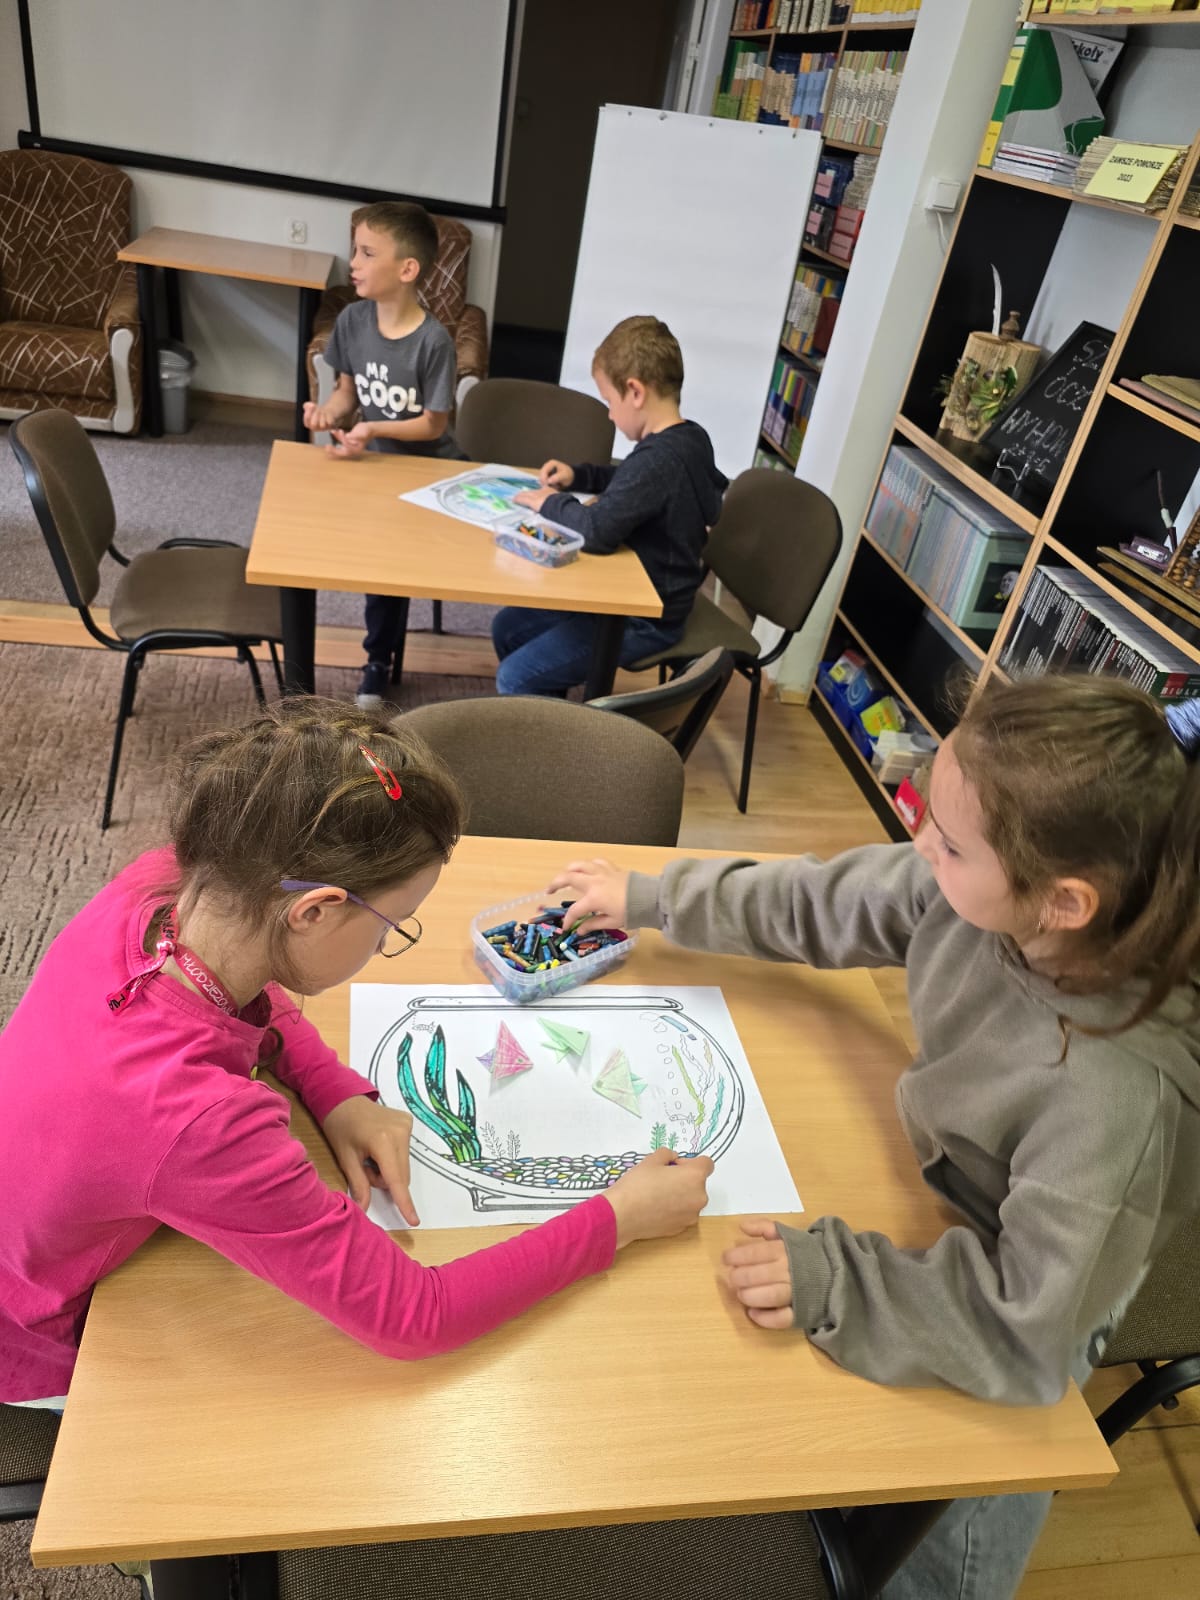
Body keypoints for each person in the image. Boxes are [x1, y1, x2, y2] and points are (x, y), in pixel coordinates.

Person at [546, 674, 1200, 1599]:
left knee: (939, 1544)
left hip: (1031, 1304)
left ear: (1064, 904)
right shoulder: (986, 888)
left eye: (951, 843)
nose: (920, 844)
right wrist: (656, 896)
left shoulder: (1112, 1096)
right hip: (961, 1192)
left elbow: (1028, 1334)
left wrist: (837, 1281)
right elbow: (825, 899)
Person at [0, 698, 713, 1410]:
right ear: (314, 911)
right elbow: (417, 1316)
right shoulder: (200, 1122)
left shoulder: (169, 886)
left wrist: (332, 1087)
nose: (384, 943)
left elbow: (240, 983)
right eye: (389, 927)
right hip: (38, 1339)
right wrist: (620, 1217)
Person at [493, 314, 727, 697]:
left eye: (609, 401)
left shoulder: (659, 461)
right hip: (634, 594)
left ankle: (548, 728)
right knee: (508, 628)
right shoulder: (689, 438)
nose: (609, 414)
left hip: (645, 615)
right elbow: (631, 480)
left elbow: (596, 531)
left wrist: (551, 501)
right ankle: (546, 711)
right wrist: (579, 475)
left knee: (516, 678)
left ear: (635, 392)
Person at [301, 202, 465, 710]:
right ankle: (378, 658)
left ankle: (377, 660)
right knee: (369, 562)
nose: (353, 263)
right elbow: (347, 393)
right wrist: (327, 414)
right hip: (376, 466)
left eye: (368, 253)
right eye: (355, 250)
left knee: (391, 565)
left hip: (429, 471)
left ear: (407, 269)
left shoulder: (434, 341)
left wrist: (372, 427)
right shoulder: (352, 320)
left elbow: (434, 424)